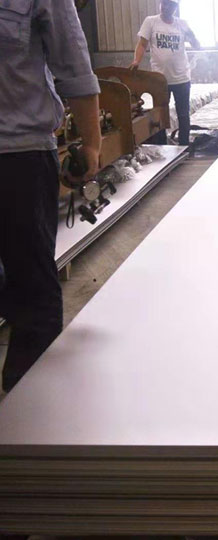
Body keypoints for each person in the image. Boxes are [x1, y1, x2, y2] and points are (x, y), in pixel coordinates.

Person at [0, 0, 101, 398]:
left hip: (17, 158)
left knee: (34, 299)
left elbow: (73, 63)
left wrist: (91, 145)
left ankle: (29, 412)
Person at [130, 0, 201, 146]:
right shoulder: (151, 22)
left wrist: (193, 37)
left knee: (183, 114)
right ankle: (162, 146)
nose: (166, 7)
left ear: (175, 7)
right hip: (160, 79)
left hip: (181, 78)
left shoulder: (182, 24)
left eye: (170, 5)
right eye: (164, 3)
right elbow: (142, 44)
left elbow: (196, 45)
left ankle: (184, 145)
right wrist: (136, 60)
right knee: (160, 113)